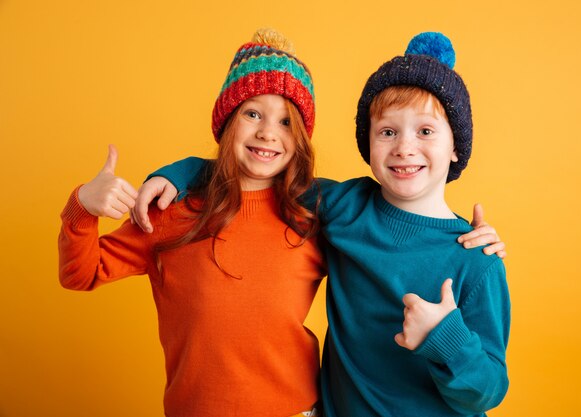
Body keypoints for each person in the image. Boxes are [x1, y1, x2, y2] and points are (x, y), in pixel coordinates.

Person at [133, 32, 510, 416]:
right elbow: (253, 170)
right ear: (369, 145)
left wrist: (445, 338)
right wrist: (178, 174)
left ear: (457, 146)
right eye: (388, 132)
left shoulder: (476, 259)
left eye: (425, 131)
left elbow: (489, 391)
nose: (404, 147)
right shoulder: (342, 207)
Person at [58, 29, 326, 417]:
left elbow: (385, 248)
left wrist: (446, 237)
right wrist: (82, 206)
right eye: (253, 113)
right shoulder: (172, 209)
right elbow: (80, 273)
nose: (268, 132)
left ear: (300, 137)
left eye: (286, 121)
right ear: (228, 120)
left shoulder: (313, 215)